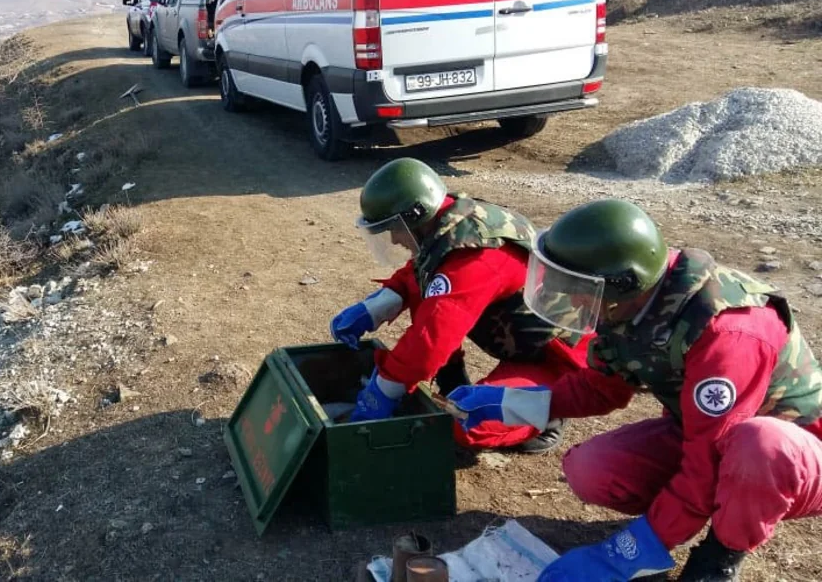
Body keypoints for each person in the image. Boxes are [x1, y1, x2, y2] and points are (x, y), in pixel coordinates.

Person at [448, 199, 822, 581]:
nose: (572, 299)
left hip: (792, 457)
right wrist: (512, 403)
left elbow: (709, 458)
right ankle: (690, 511)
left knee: (759, 444)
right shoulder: (631, 305)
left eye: (577, 287)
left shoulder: (729, 330)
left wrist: (629, 552)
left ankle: (721, 555)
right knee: (592, 469)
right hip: (708, 435)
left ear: (621, 283)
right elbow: (600, 389)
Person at [330, 157, 590, 453]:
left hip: (557, 360)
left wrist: (383, 390)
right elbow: (425, 270)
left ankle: (549, 416)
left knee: (465, 422)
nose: (393, 238)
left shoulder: (476, 257)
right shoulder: (448, 220)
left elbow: (431, 341)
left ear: (415, 216)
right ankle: (452, 379)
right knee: (430, 297)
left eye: (393, 228)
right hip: (523, 341)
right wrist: (379, 304)